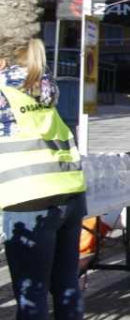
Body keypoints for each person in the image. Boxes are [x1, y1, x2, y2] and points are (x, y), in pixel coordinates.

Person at [1, 39, 88, 318]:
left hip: (28, 199)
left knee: (32, 293)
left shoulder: (3, 92)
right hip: (71, 194)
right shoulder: (43, 88)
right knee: (66, 284)